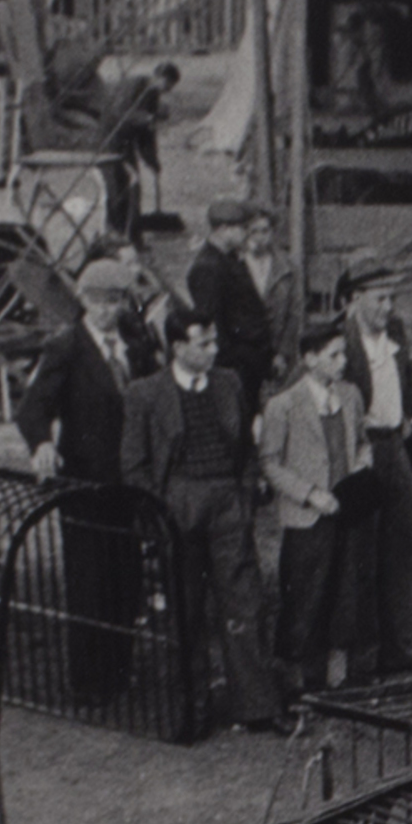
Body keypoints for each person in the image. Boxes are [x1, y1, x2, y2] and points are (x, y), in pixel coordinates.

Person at [120, 309, 293, 735]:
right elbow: (134, 465)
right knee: (184, 609)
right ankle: (187, 711)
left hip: (227, 503)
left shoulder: (229, 383)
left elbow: (248, 452)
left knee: (245, 604)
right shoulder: (144, 394)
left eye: (215, 341)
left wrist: (246, 494)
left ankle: (257, 706)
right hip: (177, 505)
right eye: (204, 343)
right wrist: (160, 512)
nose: (215, 350)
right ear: (178, 348)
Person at [13, 258, 159, 701]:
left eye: (113, 301)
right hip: (85, 486)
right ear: (82, 301)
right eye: (95, 301)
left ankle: (121, 671)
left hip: (128, 483)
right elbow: (32, 408)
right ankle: (88, 681)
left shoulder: (136, 345)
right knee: (89, 582)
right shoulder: (67, 347)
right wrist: (42, 444)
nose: (104, 310)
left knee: (125, 578)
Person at [259, 323, 374, 692]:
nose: (343, 362)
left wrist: (359, 467)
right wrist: (310, 494)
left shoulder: (351, 396)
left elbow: (362, 442)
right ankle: (298, 676)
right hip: (308, 517)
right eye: (333, 355)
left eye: (344, 354)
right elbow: (271, 463)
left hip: (345, 511)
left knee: (344, 588)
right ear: (309, 360)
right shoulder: (284, 406)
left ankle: (337, 672)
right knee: (306, 591)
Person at [339, 256, 412, 673]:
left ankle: (404, 655)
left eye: (392, 298)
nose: (387, 307)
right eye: (379, 298)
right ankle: (363, 660)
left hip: (394, 446)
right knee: (361, 556)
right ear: (355, 298)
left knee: (402, 553)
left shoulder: (394, 332)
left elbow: (407, 377)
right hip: (358, 452)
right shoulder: (337, 340)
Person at [185, 198, 277, 420]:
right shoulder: (207, 267)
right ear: (223, 229)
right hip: (235, 370)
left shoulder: (229, 259)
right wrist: (230, 373)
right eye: (242, 228)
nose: (247, 234)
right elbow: (214, 327)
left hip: (247, 367)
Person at [100, 61, 177, 233]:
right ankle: (116, 230)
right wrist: (148, 118)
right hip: (111, 140)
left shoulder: (152, 95)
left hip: (126, 142)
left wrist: (152, 161)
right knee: (118, 186)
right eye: (168, 85)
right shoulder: (133, 85)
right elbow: (121, 114)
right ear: (160, 77)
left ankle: (129, 230)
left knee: (132, 186)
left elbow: (146, 136)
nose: (167, 91)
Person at [243, 209, 304, 400]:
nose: (260, 237)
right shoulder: (238, 265)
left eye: (265, 231)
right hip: (246, 352)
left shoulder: (287, 267)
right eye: (254, 231)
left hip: (278, 350)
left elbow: (295, 313)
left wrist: (283, 353)